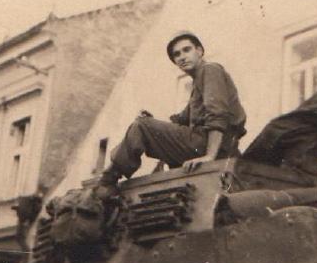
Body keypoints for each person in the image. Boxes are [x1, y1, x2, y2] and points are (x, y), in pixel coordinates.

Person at [95, 31, 246, 199]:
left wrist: (210, 156)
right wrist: (151, 121)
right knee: (143, 124)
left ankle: (107, 181)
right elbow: (181, 120)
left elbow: (217, 114)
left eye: (186, 50)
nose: (182, 57)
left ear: (199, 51)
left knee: (141, 126)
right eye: (177, 54)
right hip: (208, 144)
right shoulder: (198, 83)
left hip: (215, 145)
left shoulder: (210, 70)